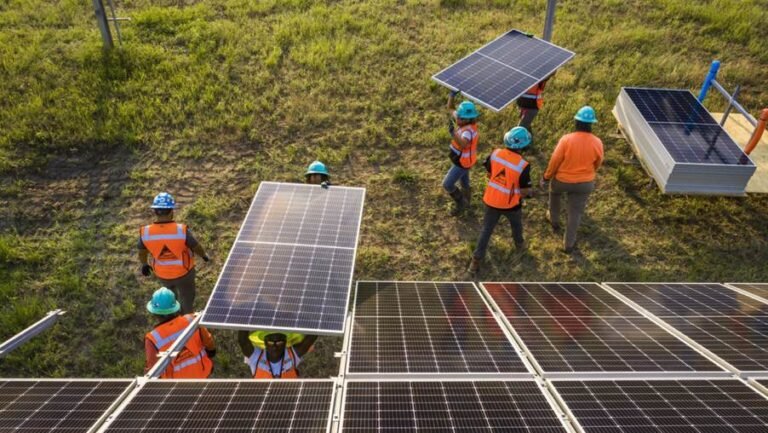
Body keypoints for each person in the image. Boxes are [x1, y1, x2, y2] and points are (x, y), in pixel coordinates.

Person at [469, 127, 533, 274]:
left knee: (486, 230)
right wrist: (530, 193)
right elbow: (523, 191)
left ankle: (475, 261)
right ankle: (520, 245)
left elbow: (489, 171)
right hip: (511, 205)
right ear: (524, 146)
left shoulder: (495, 153)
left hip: (491, 200)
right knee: (516, 226)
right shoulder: (523, 165)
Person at [541, 106, 604, 253]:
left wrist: (547, 176)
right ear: (591, 124)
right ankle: (569, 244)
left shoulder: (566, 139)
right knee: (575, 213)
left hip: (562, 181)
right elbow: (598, 162)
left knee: (554, 194)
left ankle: (554, 219)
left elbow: (555, 161)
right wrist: (589, 174)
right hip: (584, 184)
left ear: (576, 121)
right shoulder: (597, 142)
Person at [138, 192, 210, 314]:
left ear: (155, 211)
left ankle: (172, 317)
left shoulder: (145, 232)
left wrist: (144, 264)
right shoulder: (180, 230)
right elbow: (195, 246)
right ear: (171, 211)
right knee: (186, 298)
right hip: (184, 273)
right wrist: (204, 256)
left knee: (170, 298)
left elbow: (141, 251)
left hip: (163, 275)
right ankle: (187, 318)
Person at [144, 287, 215, 378]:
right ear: (175, 308)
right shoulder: (193, 319)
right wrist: (211, 351)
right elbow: (209, 343)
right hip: (203, 374)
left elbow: (153, 371)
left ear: (154, 313)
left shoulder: (152, 339)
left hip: (177, 387)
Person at [442, 91, 480, 215]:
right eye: (457, 116)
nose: (456, 118)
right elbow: (450, 108)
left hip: (463, 163)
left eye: (459, 118)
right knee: (464, 182)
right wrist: (451, 96)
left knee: (447, 184)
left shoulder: (468, 131)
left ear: (467, 119)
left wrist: (453, 133)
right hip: (464, 160)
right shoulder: (463, 120)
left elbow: (464, 144)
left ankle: (461, 203)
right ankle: (467, 201)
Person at [237, 330, 318, 379]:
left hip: (289, 404)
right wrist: (246, 315)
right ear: (265, 343)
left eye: (279, 342)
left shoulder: (292, 355)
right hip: (262, 405)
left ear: (285, 342)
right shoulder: (256, 357)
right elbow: (242, 341)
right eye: (270, 342)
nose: (275, 346)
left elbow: (310, 339)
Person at [516, 74, 553, 142]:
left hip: (531, 105)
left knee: (521, 127)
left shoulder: (540, 75)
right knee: (525, 124)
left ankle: (518, 144)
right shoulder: (521, 71)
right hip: (522, 103)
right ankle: (529, 140)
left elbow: (550, 73)